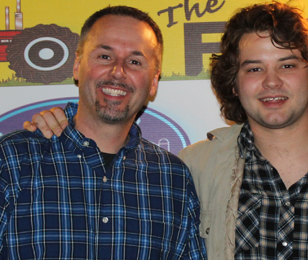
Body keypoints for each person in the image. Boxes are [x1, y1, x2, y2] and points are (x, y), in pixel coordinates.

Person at [24, 2, 308, 260]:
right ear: (234, 83)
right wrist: (61, 122)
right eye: (253, 68)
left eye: (288, 64)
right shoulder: (192, 170)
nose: (272, 82)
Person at [1, 6, 206, 259]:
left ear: (153, 81)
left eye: (134, 61)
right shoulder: (12, 160)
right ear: (77, 66)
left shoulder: (174, 179)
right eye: (105, 57)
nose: (118, 72)